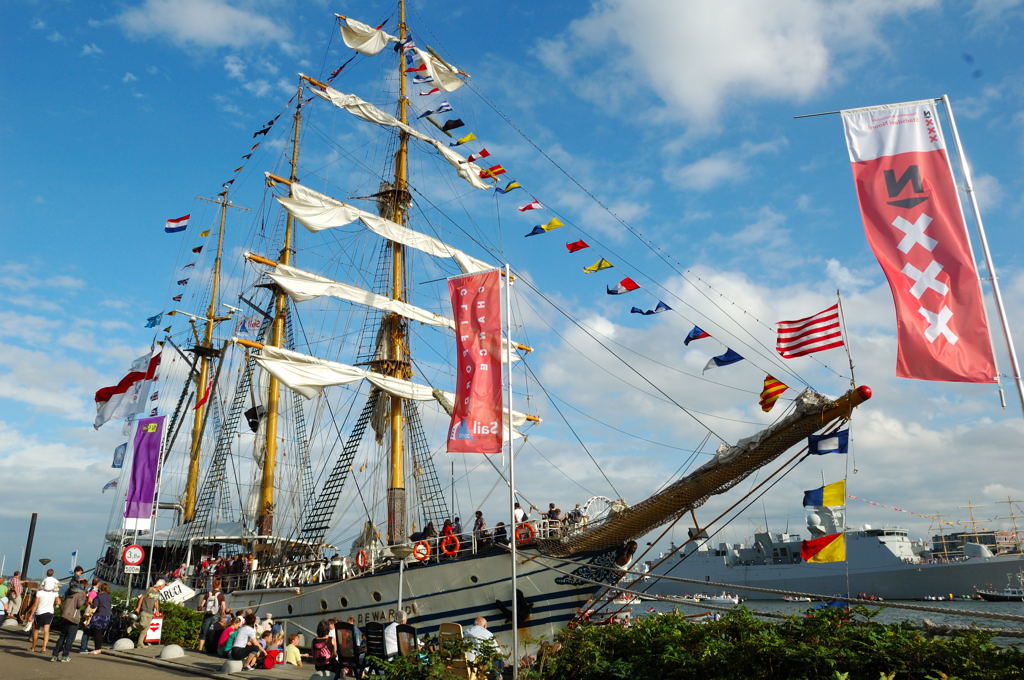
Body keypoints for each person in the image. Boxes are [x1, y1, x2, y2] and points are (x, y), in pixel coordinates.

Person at [52, 585, 88, 662]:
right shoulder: (80, 594)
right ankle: (65, 656)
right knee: (70, 638)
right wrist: (84, 598)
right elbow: (79, 605)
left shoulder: (69, 593)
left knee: (62, 637)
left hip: (65, 616)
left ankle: (54, 655)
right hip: (73, 618)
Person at [79, 582, 113, 654]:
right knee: (100, 633)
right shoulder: (109, 597)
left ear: (101, 588)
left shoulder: (99, 596)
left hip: (99, 616)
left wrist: (91, 603)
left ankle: (97, 649)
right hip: (107, 616)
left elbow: (94, 606)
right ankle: (98, 648)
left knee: (97, 633)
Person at [28, 585, 60, 654]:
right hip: (49, 613)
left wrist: (31, 615)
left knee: (36, 630)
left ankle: (33, 647)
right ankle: (44, 648)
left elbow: (35, 604)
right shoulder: (54, 593)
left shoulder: (40, 593)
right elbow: (58, 602)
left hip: (39, 612)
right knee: (46, 630)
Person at [197, 579, 226, 651]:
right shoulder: (221, 595)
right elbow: (223, 607)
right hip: (215, 615)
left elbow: (201, 605)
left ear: (212, 585)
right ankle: (210, 649)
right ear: (219, 585)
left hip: (207, 615)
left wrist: (200, 608)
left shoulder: (207, 594)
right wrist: (223, 613)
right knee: (213, 632)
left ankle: (200, 648)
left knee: (204, 631)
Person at [134, 579, 164, 647]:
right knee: (143, 625)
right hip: (144, 610)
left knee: (146, 629)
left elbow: (156, 602)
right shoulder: (150, 589)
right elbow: (142, 598)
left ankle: (140, 643)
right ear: (160, 585)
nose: (163, 587)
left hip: (150, 612)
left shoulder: (158, 593)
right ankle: (134, 624)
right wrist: (138, 607)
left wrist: (157, 610)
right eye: (163, 585)